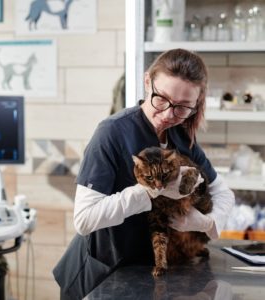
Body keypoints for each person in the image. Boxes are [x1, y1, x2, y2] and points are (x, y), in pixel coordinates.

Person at [53, 48, 235, 300]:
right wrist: (148, 193)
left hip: (145, 275)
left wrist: (204, 223)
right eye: (161, 99)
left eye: (183, 107)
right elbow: (84, 219)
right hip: (101, 275)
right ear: (147, 82)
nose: (169, 115)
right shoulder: (112, 133)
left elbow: (223, 192)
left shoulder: (181, 136)